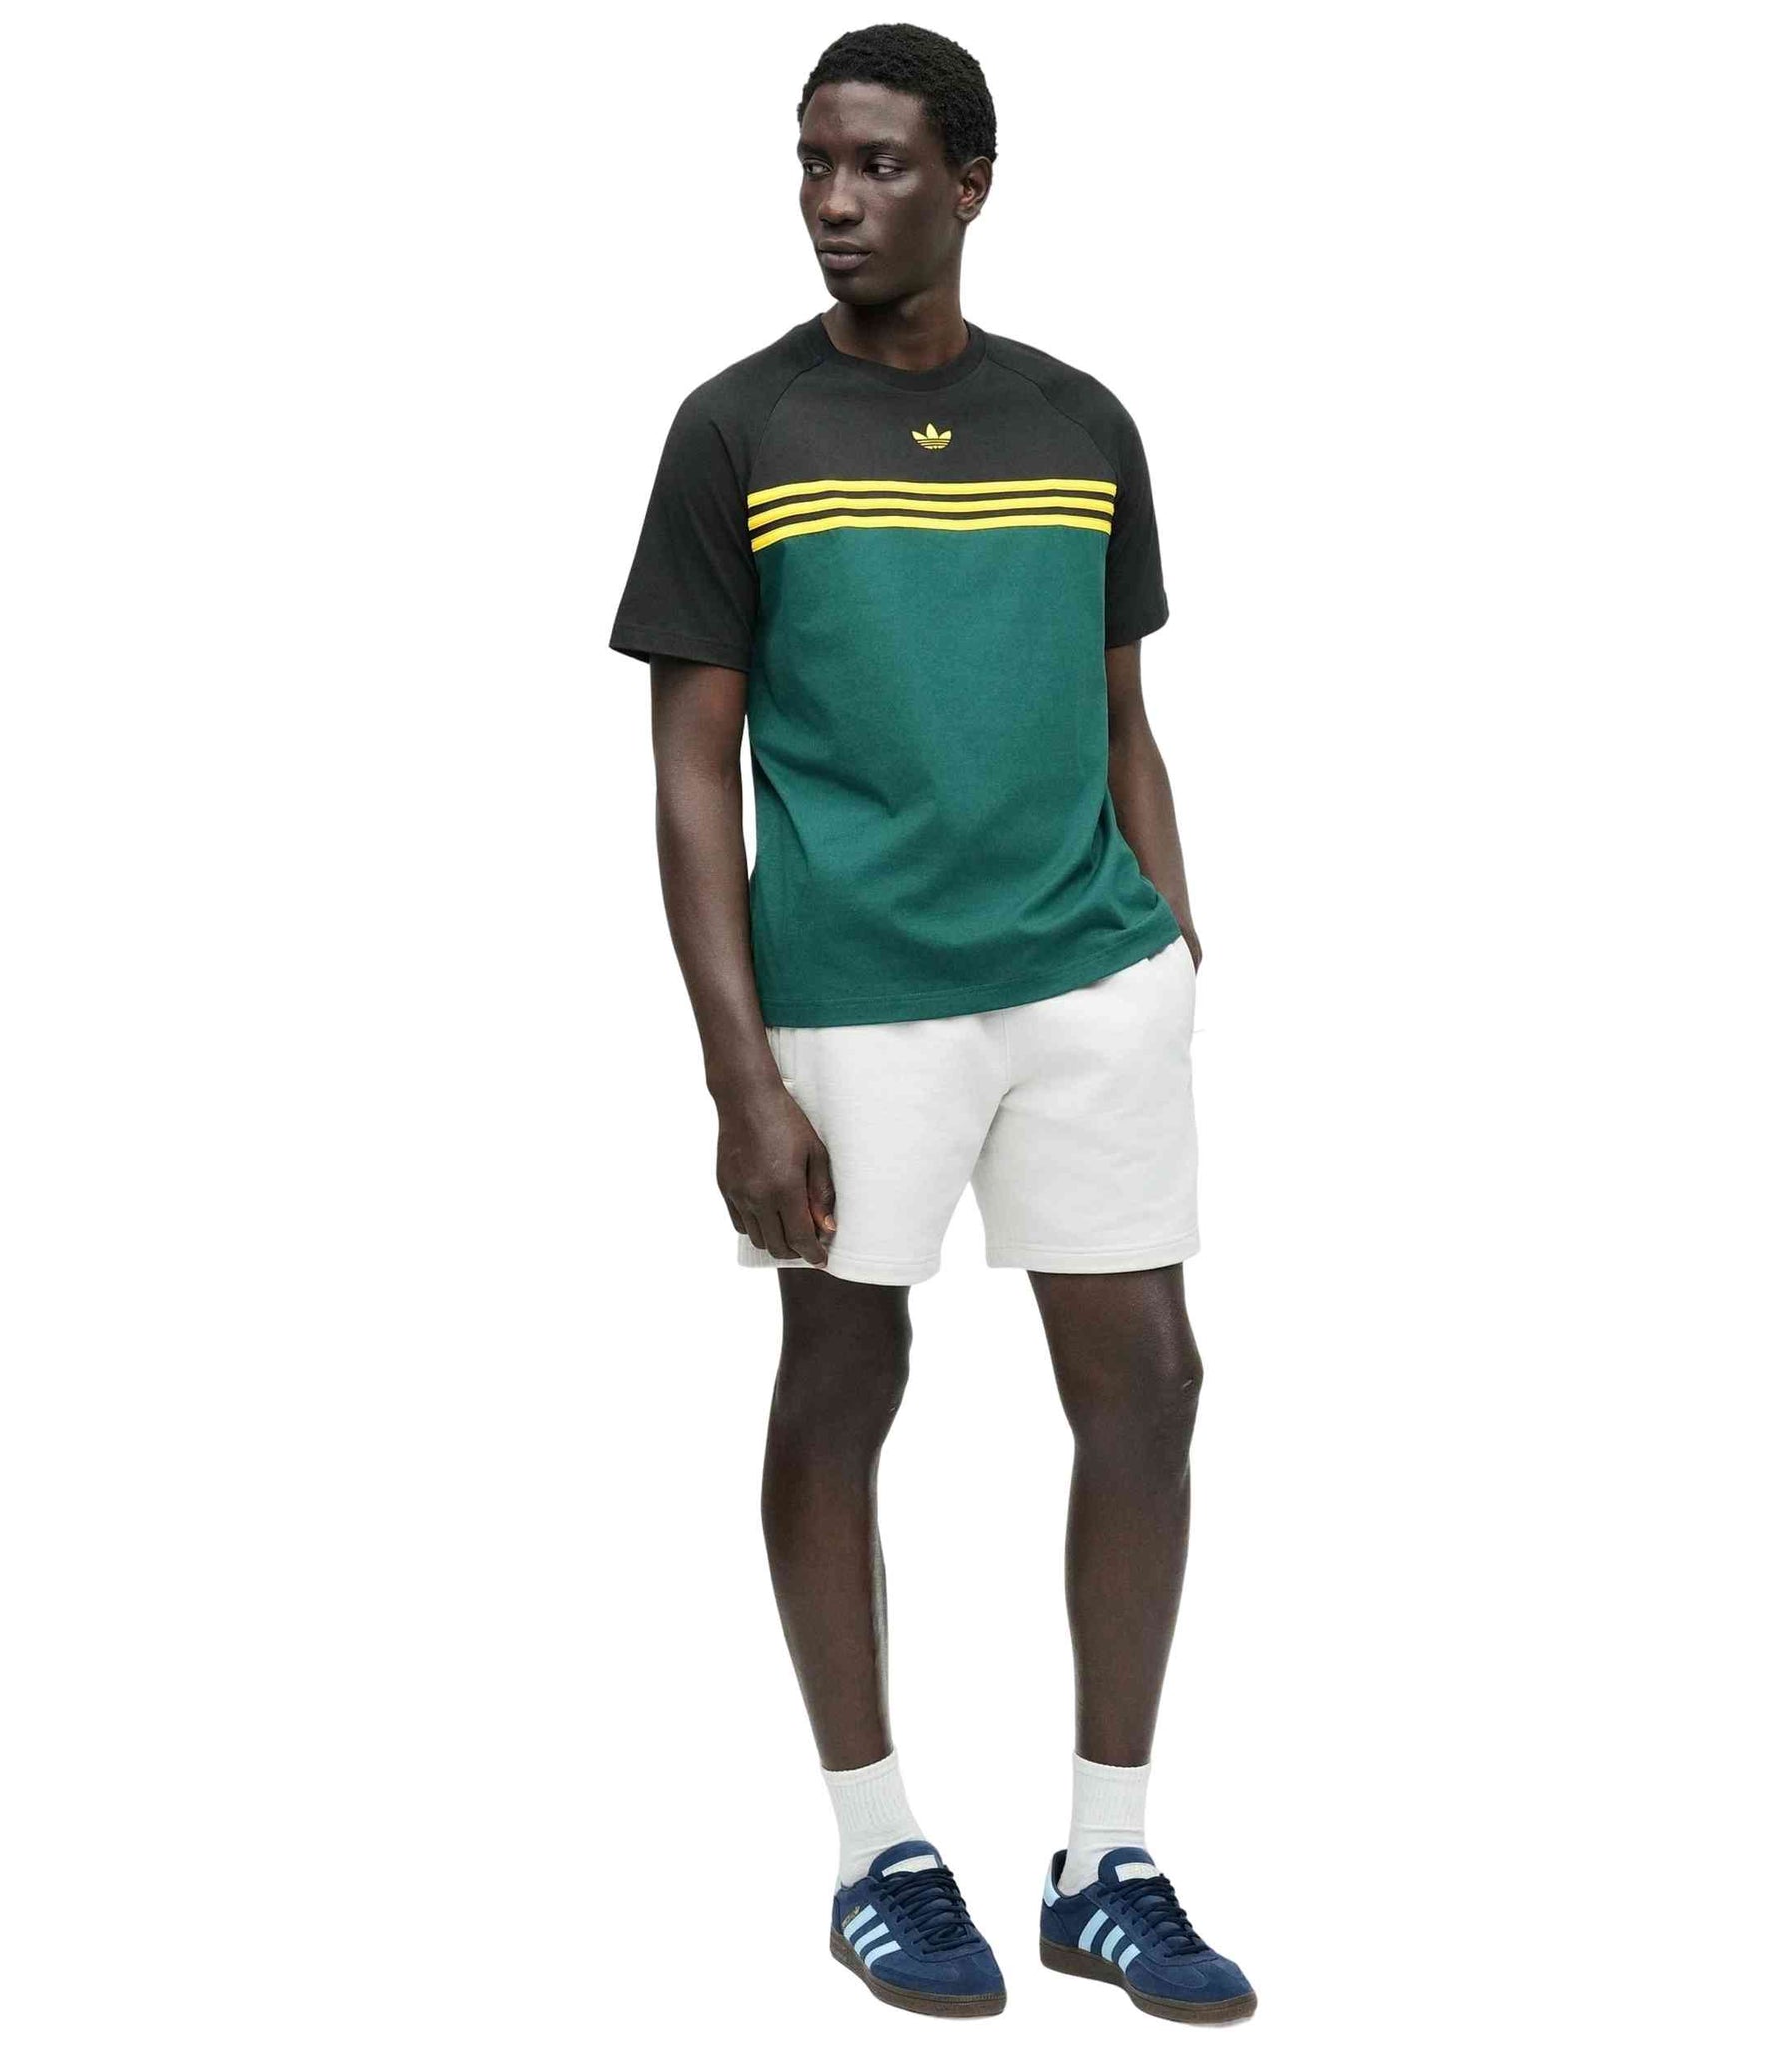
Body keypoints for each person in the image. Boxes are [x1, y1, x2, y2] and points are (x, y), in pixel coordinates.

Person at [608, 23, 1254, 2026]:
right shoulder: (738, 428)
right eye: (813, 162)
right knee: (841, 1378)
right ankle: (876, 1849)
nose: (834, 200)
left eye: (878, 164)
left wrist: (1175, 944)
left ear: (971, 181)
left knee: (1148, 1386)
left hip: (1088, 979)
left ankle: (1106, 1860)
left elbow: (1121, 710)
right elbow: (690, 769)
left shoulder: (1081, 422)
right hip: (855, 999)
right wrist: (739, 1073)